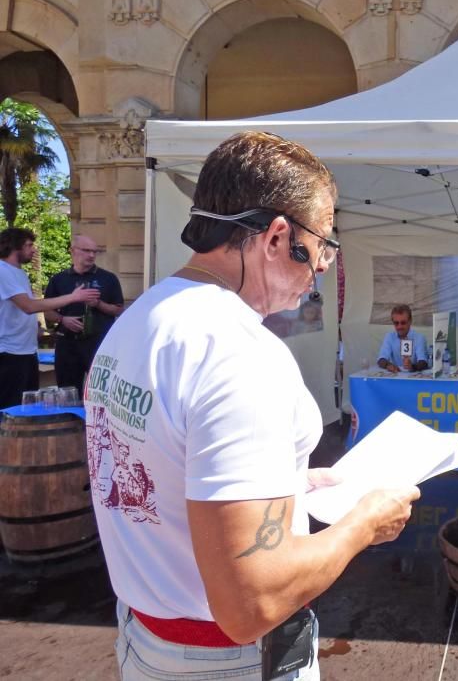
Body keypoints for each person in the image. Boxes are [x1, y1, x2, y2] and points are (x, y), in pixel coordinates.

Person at [84, 131, 420, 681]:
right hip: (231, 663)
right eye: (323, 243)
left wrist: (284, 481)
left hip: (148, 641)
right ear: (277, 238)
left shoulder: (141, 319)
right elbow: (251, 605)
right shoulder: (240, 353)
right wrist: (365, 524)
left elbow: (162, 464)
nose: (326, 265)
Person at [0, 227, 99, 409]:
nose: (34, 249)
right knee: (10, 410)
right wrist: (73, 297)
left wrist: (34, 326)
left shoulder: (18, 272)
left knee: (25, 408)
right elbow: (28, 306)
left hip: (25, 351)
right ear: (15, 247)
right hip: (9, 353)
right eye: (29, 245)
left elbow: (18, 309)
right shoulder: (3, 271)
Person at [44, 234, 124, 391]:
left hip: (98, 343)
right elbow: (47, 311)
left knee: (102, 390)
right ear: (72, 251)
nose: (92, 255)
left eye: (95, 251)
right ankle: (69, 416)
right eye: (86, 250)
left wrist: (98, 304)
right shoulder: (59, 279)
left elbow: (119, 309)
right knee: (67, 391)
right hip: (67, 343)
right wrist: (63, 319)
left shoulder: (108, 278)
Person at [377, 303, 428, 372]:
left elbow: (423, 362)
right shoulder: (389, 337)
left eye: (403, 323)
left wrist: (412, 366)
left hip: (413, 377)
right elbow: (381, 359)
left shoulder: (419, 338)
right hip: (395, 376)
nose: (399, 326)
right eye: (396, 323)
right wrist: (388, 365)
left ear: (410, 321)